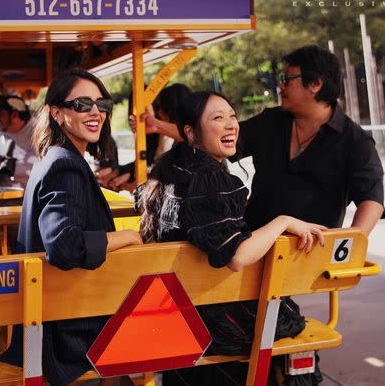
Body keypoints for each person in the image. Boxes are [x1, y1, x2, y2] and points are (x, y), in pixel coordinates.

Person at [135, 91, 326, 384]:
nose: (231, 125)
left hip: (170, 307)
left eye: (232, 116)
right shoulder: (211, 180)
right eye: (217, 118)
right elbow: (236, 256)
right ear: (190, 132)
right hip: (209, 319)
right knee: (288, 317)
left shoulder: (169, 169)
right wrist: (283, 222)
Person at [0, 69, 142, 385]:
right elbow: (64, 246)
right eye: (82, 104)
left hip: (58, 321)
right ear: (57, 113)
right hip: (70, 340)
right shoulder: (65, 166)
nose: (95, 112)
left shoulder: (54, 158)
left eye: (101, 104)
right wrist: (129, 236)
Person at [237, 45, 385, 235]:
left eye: (287, 79)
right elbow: (220, 144)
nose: (280, 86)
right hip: (253, 248)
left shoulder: (355, 141)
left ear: (315, 83)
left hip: (311, 256)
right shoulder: (269, 122)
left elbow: (371, 200)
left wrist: (347, 246)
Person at [107, 84, 191, 192]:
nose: (158, 112)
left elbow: (190, 135)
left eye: (158, 106)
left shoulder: (173, 135)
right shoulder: (162, 132)